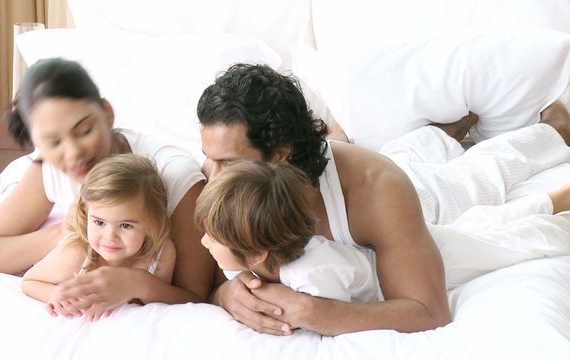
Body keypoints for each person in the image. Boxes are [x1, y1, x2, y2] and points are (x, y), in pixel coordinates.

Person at [196, 63, 570, 336]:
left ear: (280, 154)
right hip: (362, 163)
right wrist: (227, 295)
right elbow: (213, 278)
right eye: (208, 157)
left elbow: (427, 311)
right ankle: (439, 133)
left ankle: (553, 130)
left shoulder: (376, 189)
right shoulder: (219, 187)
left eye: (226, 162)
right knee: (408, 150)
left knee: (474, 178)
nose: (209, 175)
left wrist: (313, 310)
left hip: (423, 193)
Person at [0, 58, 216, 314]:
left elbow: (197, 294)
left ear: (107, 113)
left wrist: (137, 283)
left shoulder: (174, 175)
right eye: (53, 142)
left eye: (84, 131)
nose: (73, 153)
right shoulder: (50, 167)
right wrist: (68, 231)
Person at [195, 161, 380, 306]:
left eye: (213, 238)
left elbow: (334, 320)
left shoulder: (313, 274)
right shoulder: (248, 261)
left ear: (256, 254)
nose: (204, 243)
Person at [23, 154, 175, 321]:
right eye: (99, 222)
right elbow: (29, 281)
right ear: (86, 214)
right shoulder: (77, 253)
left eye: (126, 225)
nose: (110, 237)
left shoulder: (161, 253)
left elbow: (173, 301)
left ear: (151, 224)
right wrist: (58, 296)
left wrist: (141, 285)